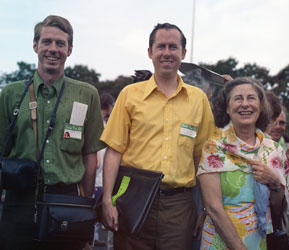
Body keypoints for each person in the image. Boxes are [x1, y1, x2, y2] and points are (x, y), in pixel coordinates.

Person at [100, 23, 215, 250]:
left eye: (173, 47)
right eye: (160, 46)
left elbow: (204, 159)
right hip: (132, 200)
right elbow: (114, 151)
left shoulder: (198, 99)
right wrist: (106, 200)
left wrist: (206, 209)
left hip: (179, 208)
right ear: (150, 52)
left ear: (183, 54)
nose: (166, 52)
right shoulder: (129, 95)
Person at [0, 15, 105, 250]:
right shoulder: (10, 94)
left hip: (66, 201)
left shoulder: (86, 94)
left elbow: (90, 155)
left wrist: (84, 205)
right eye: (47, 42)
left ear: (70, 50)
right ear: (35, 46)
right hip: (18, 201)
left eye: (60, 44)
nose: (53, 49)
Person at [197, 77, 289, 249]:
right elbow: (213, 208)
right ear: (227, 108)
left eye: (251, 98)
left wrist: (274, 182)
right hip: (220, 240)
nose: (245, 104)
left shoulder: (274, 150)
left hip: (260, 239)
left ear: (260, 107)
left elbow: (278, 207)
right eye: (238, 98)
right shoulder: (213, 148)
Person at [93, 93, 115, 248]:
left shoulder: (97, 122)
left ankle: (93, 239)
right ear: (108, 107)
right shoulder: (100, 124)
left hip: (97, 175)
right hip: (97, 175)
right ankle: (91, 240)